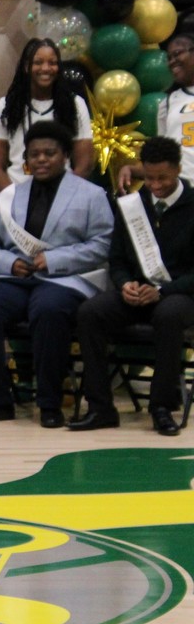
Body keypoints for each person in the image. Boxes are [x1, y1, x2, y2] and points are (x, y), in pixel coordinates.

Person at [0, 120, 113, 428]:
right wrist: (8, 264)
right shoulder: (10, 196)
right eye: (34, 154)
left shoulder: (91, 195)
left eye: (49, 153)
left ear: (65, 155)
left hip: (66, 280)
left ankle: (49, 404)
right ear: (25, 159)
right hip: (16, 277)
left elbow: (102, 245)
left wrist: (54, 260)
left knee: (49, 310)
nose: (41, 159)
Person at [69, 136, 194, 436]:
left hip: (181, 295)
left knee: (168, 316)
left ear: (178, 170)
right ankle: (100, 408)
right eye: (149, 178)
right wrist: (125, 284)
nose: (155, 185)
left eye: (162, 177)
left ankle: (162, 408)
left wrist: (163, 291)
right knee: (90, 313)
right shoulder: (133, 206)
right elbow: (118, 258)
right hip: (137, 293)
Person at [0, 38, 94, 190]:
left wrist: (65, 196)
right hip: (17, 194)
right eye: (38, 62)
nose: (45, 68)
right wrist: (12, 199)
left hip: (62, 195)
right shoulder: (6, 106)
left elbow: (85, 163)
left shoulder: (75, 104)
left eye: (52, 63)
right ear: (26, 67)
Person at [154, 32, 194, 184]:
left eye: (177, 54)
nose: (172, 62)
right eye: (169, 58)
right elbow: (161, 153)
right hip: (183, 192)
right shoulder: (168, 102)